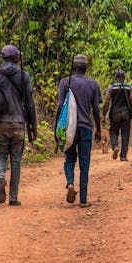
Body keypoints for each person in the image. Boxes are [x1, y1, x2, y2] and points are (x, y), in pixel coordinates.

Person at [0, 44, 38, 206]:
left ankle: (0, 177)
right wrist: (33, 125)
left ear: (3, 58)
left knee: (0, 155)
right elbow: (30, 103)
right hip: (18, 122)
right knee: (16, 161)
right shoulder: (23, 75)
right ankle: (13, 197)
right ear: (15, 58)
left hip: (0, 123)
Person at [57, 54, 101, 207]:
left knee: (69, 158)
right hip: (86, 127)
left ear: (73, 67)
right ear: (86, 68)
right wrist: (99, 129)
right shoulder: (93, 84)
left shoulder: (65, 82)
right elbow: (96, 109)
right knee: (84, 163)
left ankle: (70, 183)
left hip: (69, 127)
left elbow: (59, 107)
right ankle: (83, 200)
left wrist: (57, 128)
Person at [102, 69, 132, 161]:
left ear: (116, 78)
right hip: (126, 113)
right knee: (125, 134)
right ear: (124, 77)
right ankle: (123, 156)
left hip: (114, 113)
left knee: (113, 132)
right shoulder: (128, 87)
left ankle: (115, 147)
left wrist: (104, 115)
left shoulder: (111, 87)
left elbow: (106, 102)